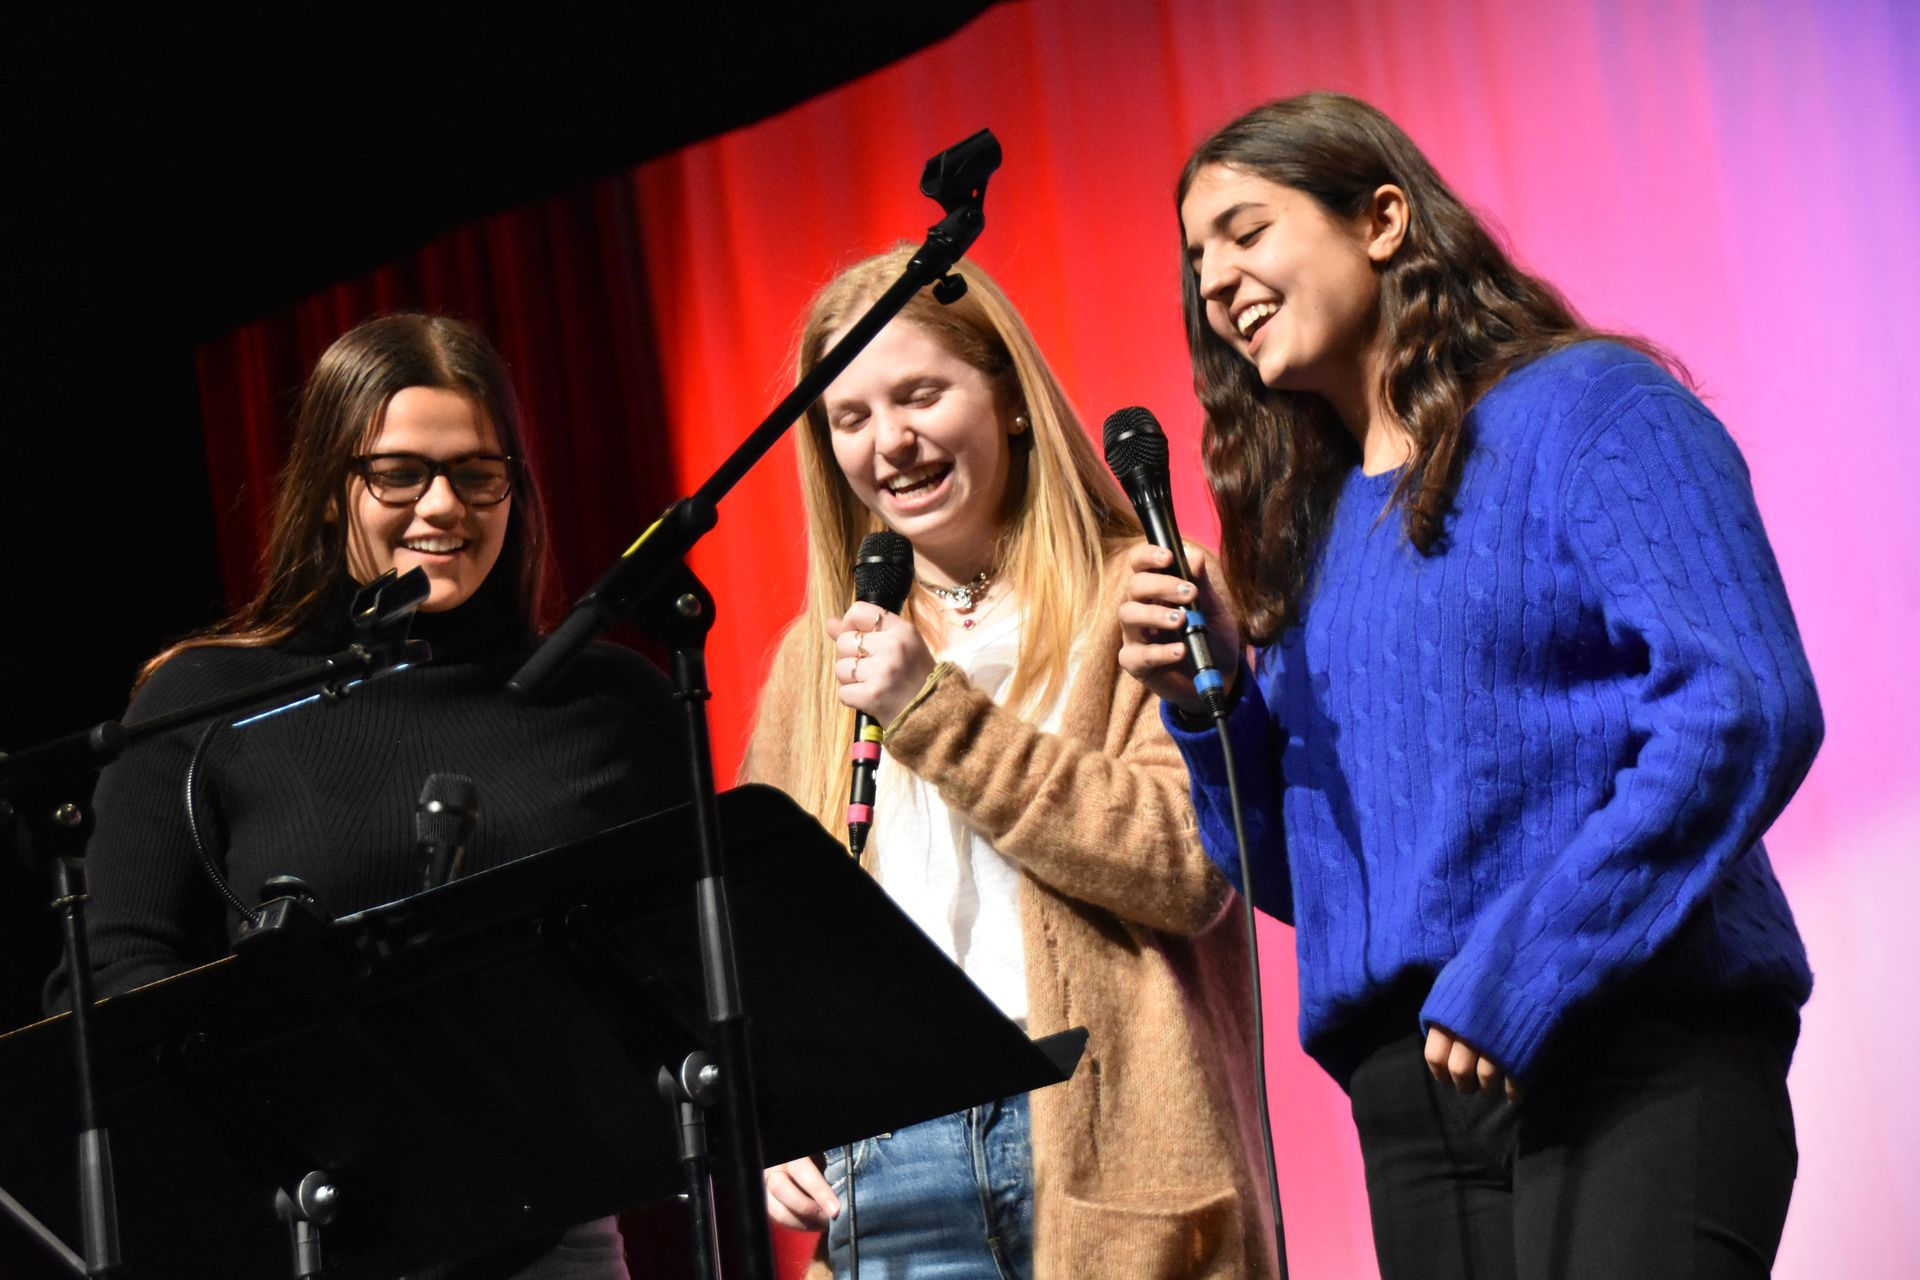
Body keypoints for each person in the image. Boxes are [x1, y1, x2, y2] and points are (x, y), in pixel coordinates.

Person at [1120, 92, 1822, 1279]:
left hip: (1628, 1044)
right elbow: (1315, 871)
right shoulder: (1311, 536)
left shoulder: (1591, 410)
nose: (1214, 280)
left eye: (1245, 230)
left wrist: (1536, 959)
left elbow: (1742, 700)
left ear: (1383, 218)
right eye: (1196, 258)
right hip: (1415, 1102)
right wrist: (1211, 703)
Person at [53, 313, 688, 1279]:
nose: (444, 506)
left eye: (478, 474)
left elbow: (676, 959)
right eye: (398, 474)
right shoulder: (204, 699)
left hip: (551, 1233)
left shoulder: (611, 700)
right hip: (298, 1233)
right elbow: (115, 974)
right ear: (326, 491)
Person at [742, 247, 1280, 1280]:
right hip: (888, 1170)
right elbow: (777, 941)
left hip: (1107, 1151)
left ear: (1009, 400)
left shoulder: (1138, 590)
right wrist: (778, 1111)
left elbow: (1184, 865)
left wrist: (934, 714)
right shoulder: (818, 660)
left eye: (919, 394)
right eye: (850, 417)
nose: (889, 440)